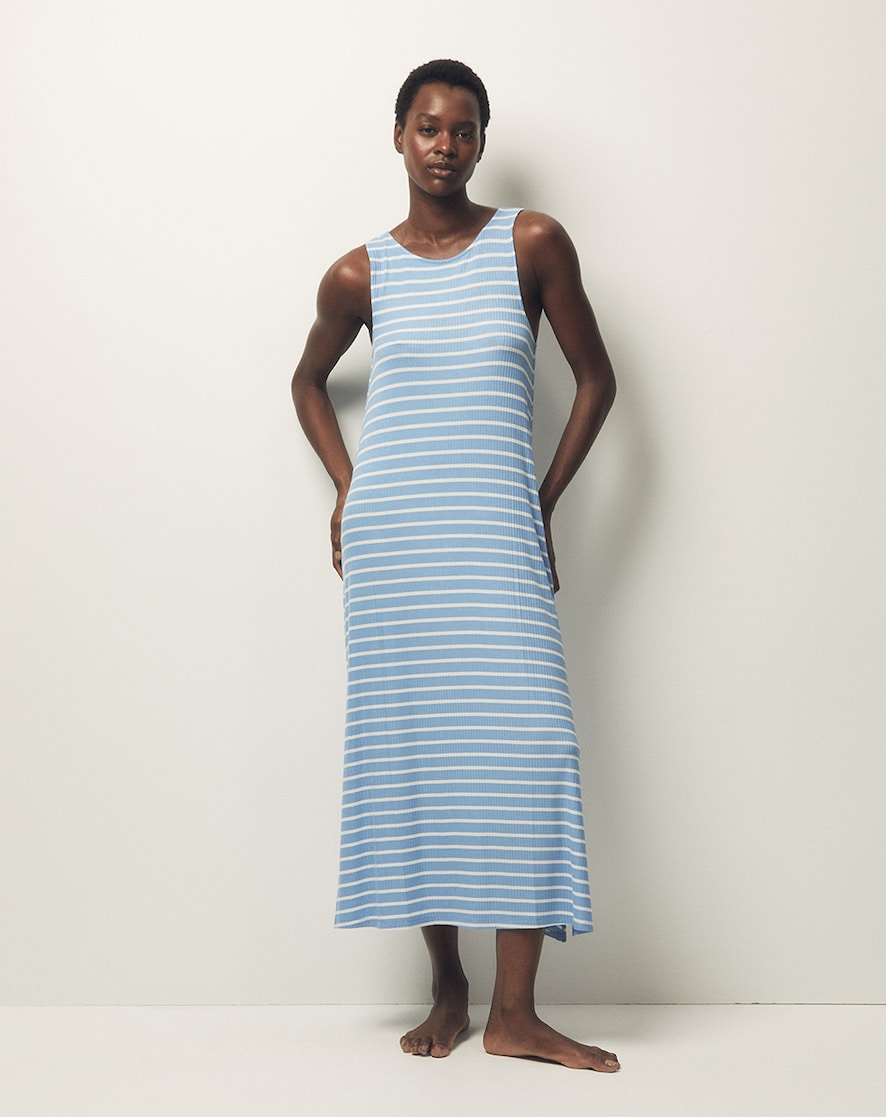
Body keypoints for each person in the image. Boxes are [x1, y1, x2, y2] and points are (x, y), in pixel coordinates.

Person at [292, 59, 618, 1071]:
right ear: (399, 135)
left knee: (530, 747)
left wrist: (541, 500)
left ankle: (516, 1013)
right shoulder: (358, 275)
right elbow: (307, 381)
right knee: (416, 751)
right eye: (429, 127)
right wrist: (347, 485)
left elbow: (597, 380)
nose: (446, 145)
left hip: (494, 534)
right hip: (396, 544)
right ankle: (449, 984)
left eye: (464, 129)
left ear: (481, 142)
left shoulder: (532, 242)